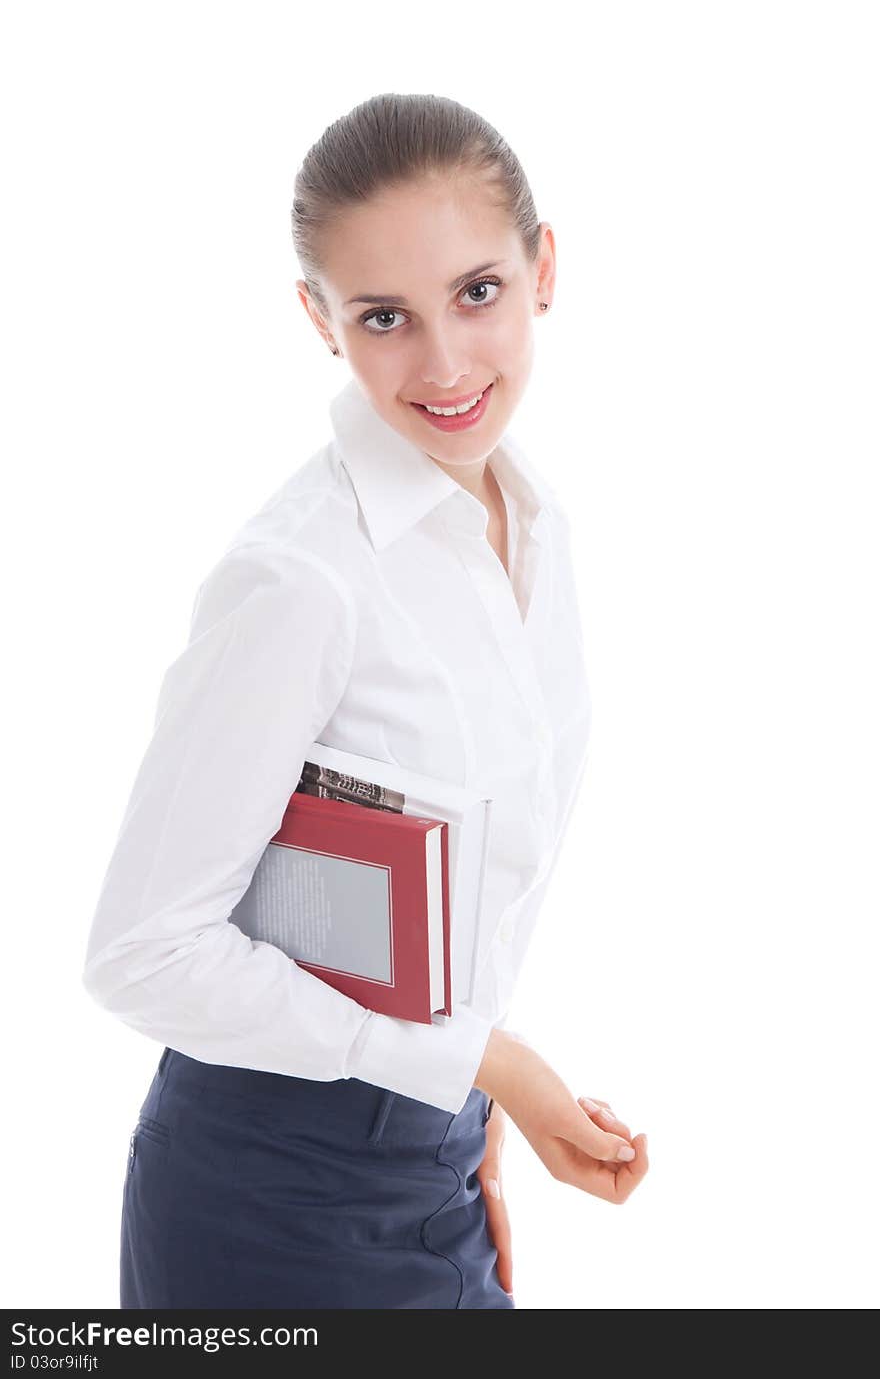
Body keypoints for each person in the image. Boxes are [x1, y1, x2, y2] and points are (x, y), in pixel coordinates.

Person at [81, 91, 648, 1311]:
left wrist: (471, 1113)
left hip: (436, 1171)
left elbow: (441, 895)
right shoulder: (301, 579)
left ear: (544, 267)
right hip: (261, 1202)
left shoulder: (534, 527)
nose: (444, 364)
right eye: (384, 317)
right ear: (318, 320)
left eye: (477, 292)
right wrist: (483, 1062)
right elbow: (139, 954)